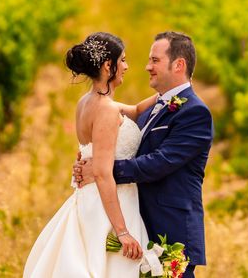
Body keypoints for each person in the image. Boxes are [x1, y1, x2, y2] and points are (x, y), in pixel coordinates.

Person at [74, 31, 213, 278]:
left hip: (171, 230)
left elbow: (160, 163)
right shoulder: (148, 109)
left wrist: (100, 169)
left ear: (178, 65)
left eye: (155, 60)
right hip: (133, 222)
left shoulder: (195, 113)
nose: (146, 67)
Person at [23, 32, 158, 277]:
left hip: (90, 200)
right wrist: (122, 232)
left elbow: (136, 110)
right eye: (123, 60)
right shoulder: (105, 109)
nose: (127, 67)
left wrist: (171, 92)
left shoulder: (87, 102)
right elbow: (103, 173)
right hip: (111, 204)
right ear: (109, 66)